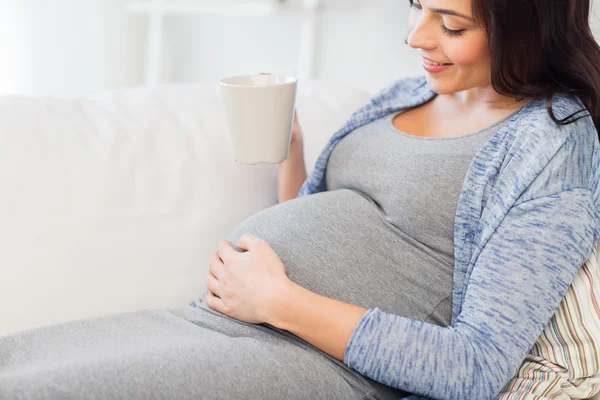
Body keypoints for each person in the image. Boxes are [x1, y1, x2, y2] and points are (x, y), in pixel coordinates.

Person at [1, 0, 599, 399]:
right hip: (210, 321)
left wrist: (276, 300)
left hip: (312, 364)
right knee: (17, 365)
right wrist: (294, 164)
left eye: (451, 25)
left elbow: (475, 365)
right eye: (418, 6)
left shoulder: (552, 144)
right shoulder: (405, 93)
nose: (416, 36)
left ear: (527, 28)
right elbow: (335, 219)